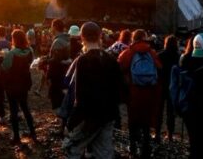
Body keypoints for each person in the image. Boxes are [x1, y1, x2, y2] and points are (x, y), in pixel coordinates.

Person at [62, 22, 124, 159]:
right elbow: (120, 93)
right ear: (100, 36)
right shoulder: (111, 59)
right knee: (104, 153)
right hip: (108, 115)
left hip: (90, 117)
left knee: (71, 148)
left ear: (82, 37)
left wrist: (70, 123)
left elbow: (81, 97)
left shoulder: (83, 60)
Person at [117, 29, 161, 159]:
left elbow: (119, 67)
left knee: (133, 121)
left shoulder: (128, 53)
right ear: (144, 38)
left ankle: (133, 147)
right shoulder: (151, 53)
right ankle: (145, 147)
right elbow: (160, 68)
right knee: (146, 121)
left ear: (134, 39)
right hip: (149, 92)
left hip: (133, 93)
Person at [1, 29, 37, 144]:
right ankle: (33, 133)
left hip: (12, 85)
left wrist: (2, 58)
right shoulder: (30, 50)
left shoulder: (11, 53)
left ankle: (16, 136)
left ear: (14, 39)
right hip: (24, 83)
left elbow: (4, 68)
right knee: (25, 107)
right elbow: (31, 62)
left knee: (13, 110)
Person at [47, 19, 71, 134]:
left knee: (56, 99)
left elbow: (55, 60)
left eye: (52, 27)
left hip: (57, 75)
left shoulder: (58, 42)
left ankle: (63, 126)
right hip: (66, 74)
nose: (51, 29)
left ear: (55, 27)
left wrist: (44, 61)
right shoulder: (67, 39)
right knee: (63, 98)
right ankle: (63, 125)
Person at [156, 35, 179, 142]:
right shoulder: (178, 56)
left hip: (160, 85)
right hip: (173, 87)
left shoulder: (159, 55)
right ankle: (170, 135)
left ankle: (157, 133)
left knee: (159, 111)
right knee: (171, 113)